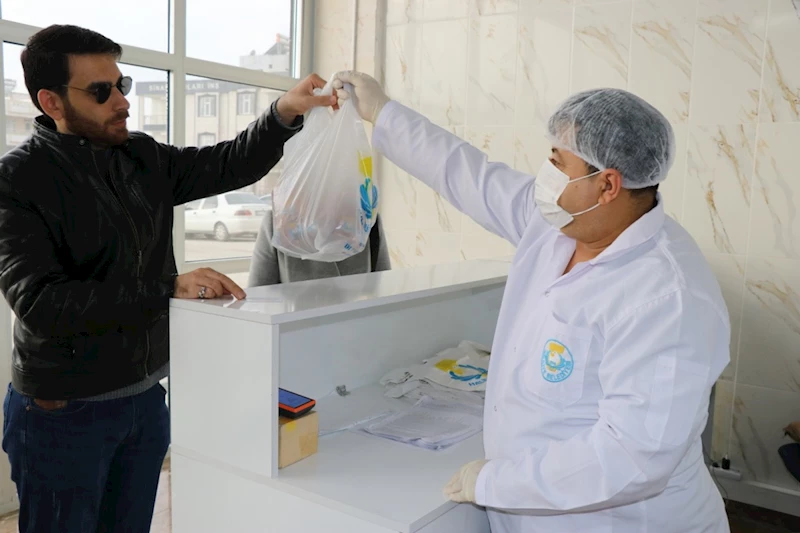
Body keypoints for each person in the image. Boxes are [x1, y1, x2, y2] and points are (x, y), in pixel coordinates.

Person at [333, 71, 731, 532]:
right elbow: (467, 173)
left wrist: (496, 482)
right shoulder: (560, 223)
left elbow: (632, 457)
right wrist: (383, 112)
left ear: (607, 185)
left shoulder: (668, 297)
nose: (546, 175)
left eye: (558, 164)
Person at [0, 24, 334, 533]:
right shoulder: (18, 180)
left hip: (144, 401)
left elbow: (226, 163)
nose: (122, 102)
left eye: (122, 84)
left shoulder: (141, 157)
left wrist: (284, 112)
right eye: (101, 91)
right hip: (63, 414)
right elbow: (44, 305)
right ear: (51, 102)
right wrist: (167, 288)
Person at [248, 203, 390, 286]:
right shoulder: (278, 223)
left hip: (357, 326)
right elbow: (259, 297)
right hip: (297, 327)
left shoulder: (367, 223)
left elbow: (384, 291)